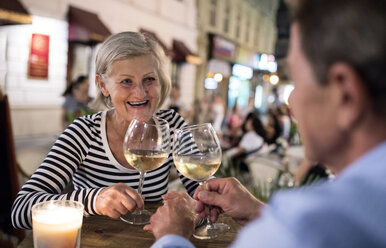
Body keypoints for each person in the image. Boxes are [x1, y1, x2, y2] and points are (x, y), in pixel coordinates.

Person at [144, 0, 386, 247]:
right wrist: (260, 212)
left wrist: (171, 237)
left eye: (297, 81)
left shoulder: (306, 226)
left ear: (345, 94)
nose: (290, 101)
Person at [11, 32, 199, 229]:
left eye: (149, 79)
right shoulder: (83, 133)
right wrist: (94, 200)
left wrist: (210, 197)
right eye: (126, 81)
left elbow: (200, 187)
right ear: (103, 85)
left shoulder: (172, 126)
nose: (141, 93)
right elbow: (20, 211)